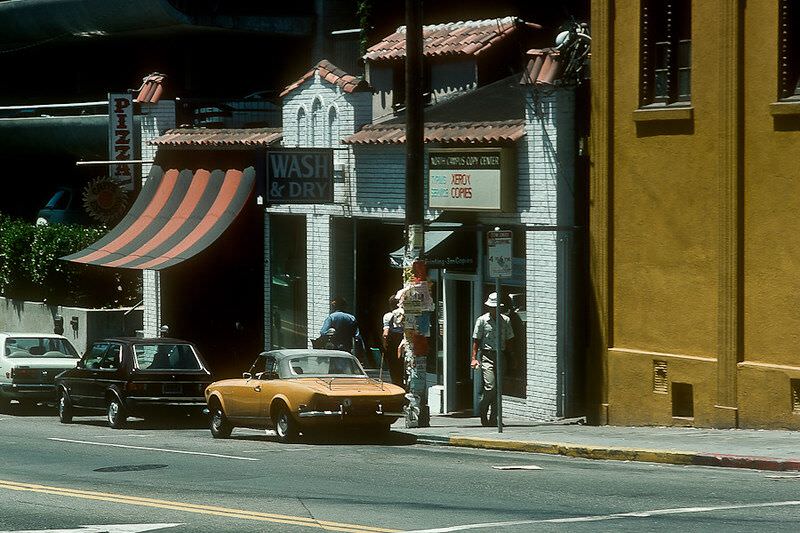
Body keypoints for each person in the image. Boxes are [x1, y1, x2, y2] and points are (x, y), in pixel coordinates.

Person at [471, 292, 514, 427]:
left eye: (496, 307)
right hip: (487, 356)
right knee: (491, 386)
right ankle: (483, 409)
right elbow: (476, 340)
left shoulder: (505, 320)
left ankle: (494, 418)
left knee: (498, 390)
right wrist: (474, 358)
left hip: (500, 355)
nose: (494, 309)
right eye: (491, 307)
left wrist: (513, 357)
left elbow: (509, 339)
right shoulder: (482, 320)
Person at [381, 295, 405, 386]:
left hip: (393, 343)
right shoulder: (404, 313)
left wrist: (384, 345)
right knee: (403, 363)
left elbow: (385, 333)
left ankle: (396, 383)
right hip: (404, 340)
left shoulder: (388, 316)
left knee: (393, 364)